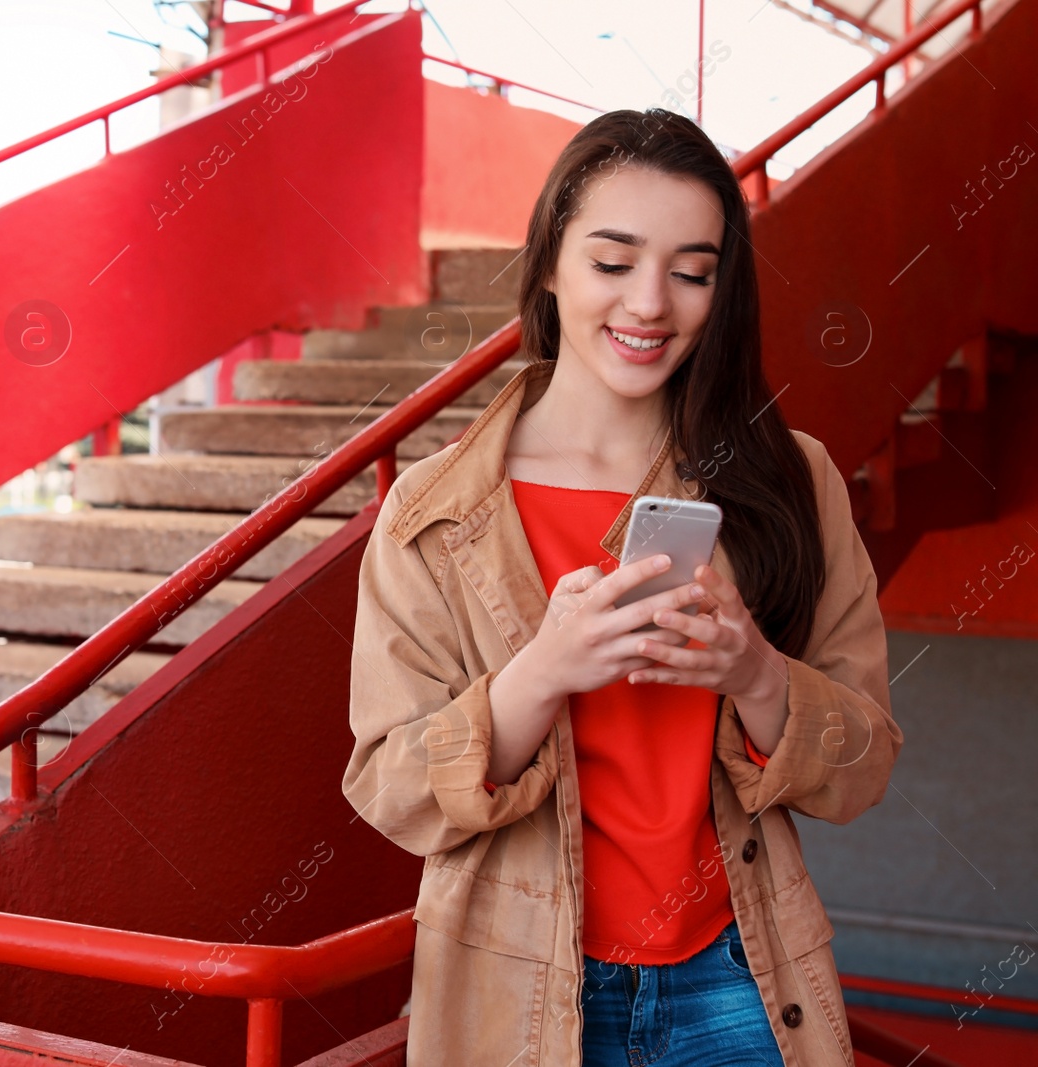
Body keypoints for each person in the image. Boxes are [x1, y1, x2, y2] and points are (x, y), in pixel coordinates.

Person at [343, 108, 901, 1066]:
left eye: (692, 271)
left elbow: (864, 762)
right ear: (551, 264)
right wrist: (542, 672)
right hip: (516, 988)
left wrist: (758, 673)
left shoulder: (790, 480)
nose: (651, 304)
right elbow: (392, 792)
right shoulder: (430, 514)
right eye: (613, 262)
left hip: (738, 977)